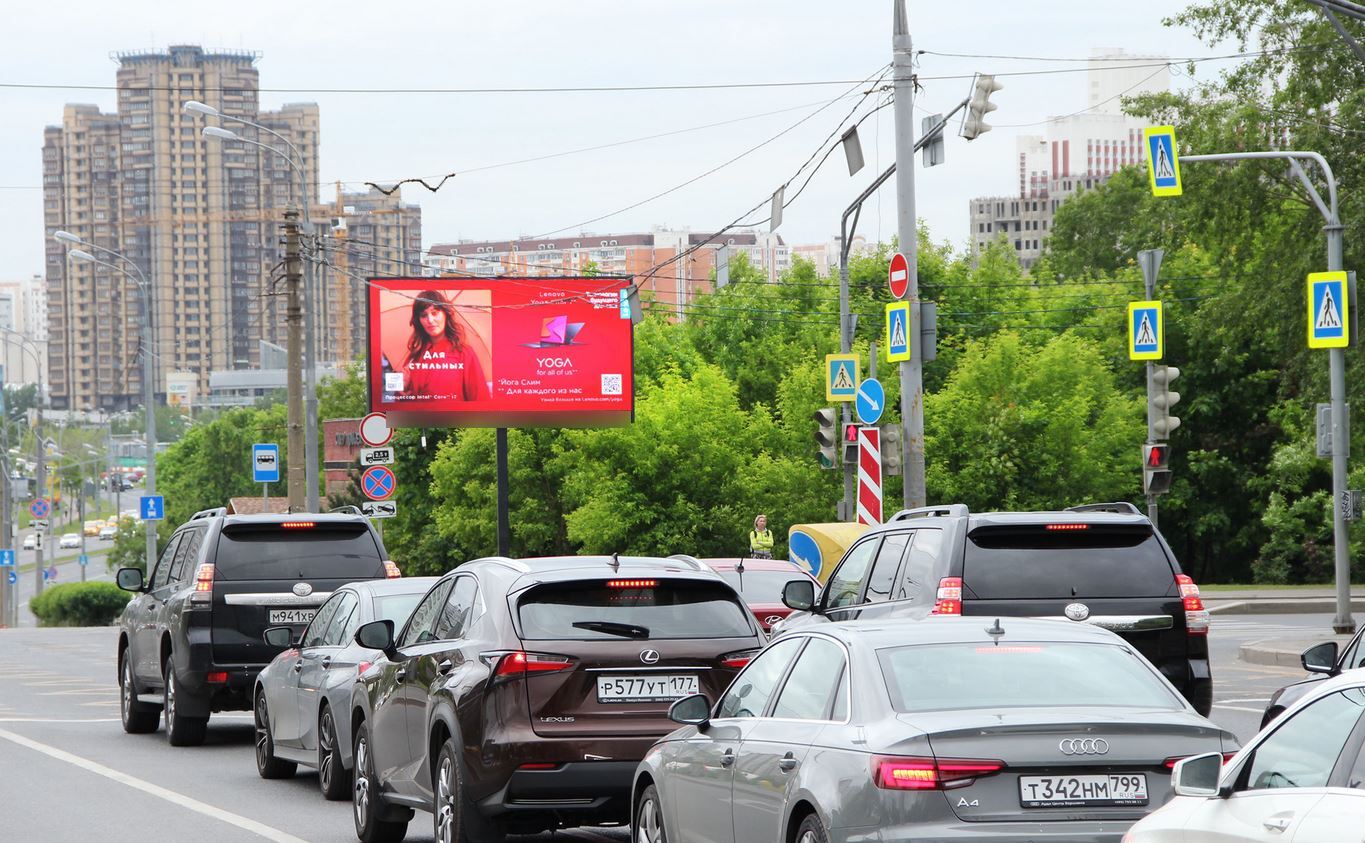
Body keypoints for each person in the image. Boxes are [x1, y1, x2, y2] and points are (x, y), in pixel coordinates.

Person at [401, 290, 490, 401]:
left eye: (435, 313)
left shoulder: (464, 353)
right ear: (419, 321)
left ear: (445, 314)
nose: (430, 320)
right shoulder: (414, 357)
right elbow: (399, 403)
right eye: (423, 315)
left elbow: (480, 399)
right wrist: (402, 390)